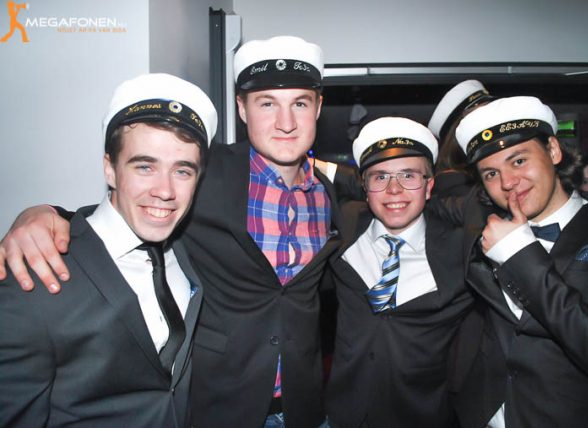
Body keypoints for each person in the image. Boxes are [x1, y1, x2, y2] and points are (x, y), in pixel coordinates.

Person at [0, 35, 341, 428]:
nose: (286, 122)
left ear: (318, 108)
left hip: (304, 404)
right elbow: (131, 206)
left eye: (300, 103)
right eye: (267, 103)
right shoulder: (204, 172)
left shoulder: (325, 192)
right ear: (242, 109)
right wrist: (42, 214)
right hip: (219, 405)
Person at [0, 73, 217, 426]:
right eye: (145, 166)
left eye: (182, 171)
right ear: (110, 169)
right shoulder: (33, 275)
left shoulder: (183, 249)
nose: (165, 191)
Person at [448, 96, 588, 427]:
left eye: (519, 160)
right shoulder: (482, 234)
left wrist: (520, 254)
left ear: (553, 150)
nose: (507, 182)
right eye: (491, 173)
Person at [324, 117, 473, 427]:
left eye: (408, 175)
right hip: (343, 415)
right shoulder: (346, 226)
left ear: (429, 186)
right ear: (364, 188)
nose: (394, 190)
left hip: (425, 417)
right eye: (380, 177)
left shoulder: (461, 249)